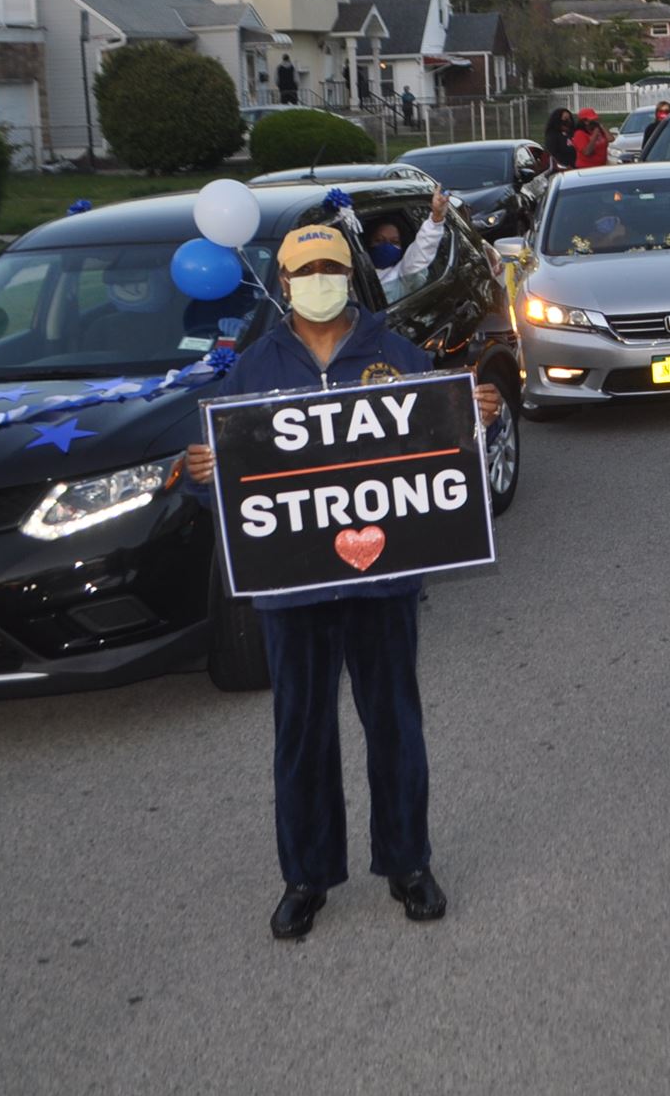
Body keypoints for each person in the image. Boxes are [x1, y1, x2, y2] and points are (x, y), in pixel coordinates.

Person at [181, 222, 503, 941]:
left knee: (394, 726)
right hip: (292, 593)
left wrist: (475, 421)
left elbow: (438, 453)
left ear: (348, 276)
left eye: (332, 265)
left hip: (382, 585)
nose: (320, 278)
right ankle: (306, 876)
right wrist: (206, 478)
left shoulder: (394, 353)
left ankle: (408, 863)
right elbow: (233, 489)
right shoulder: (255, 367)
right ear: (285, 282)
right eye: (306, 268)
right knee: (301, 734)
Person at [365, 188, 452, 284]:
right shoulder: (355, 271)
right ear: (368, 242)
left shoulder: (402, 276)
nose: (386, 246)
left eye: (394, 242)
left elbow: (419, 253)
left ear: (403, 246)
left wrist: (436, 219)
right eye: (379, 240)